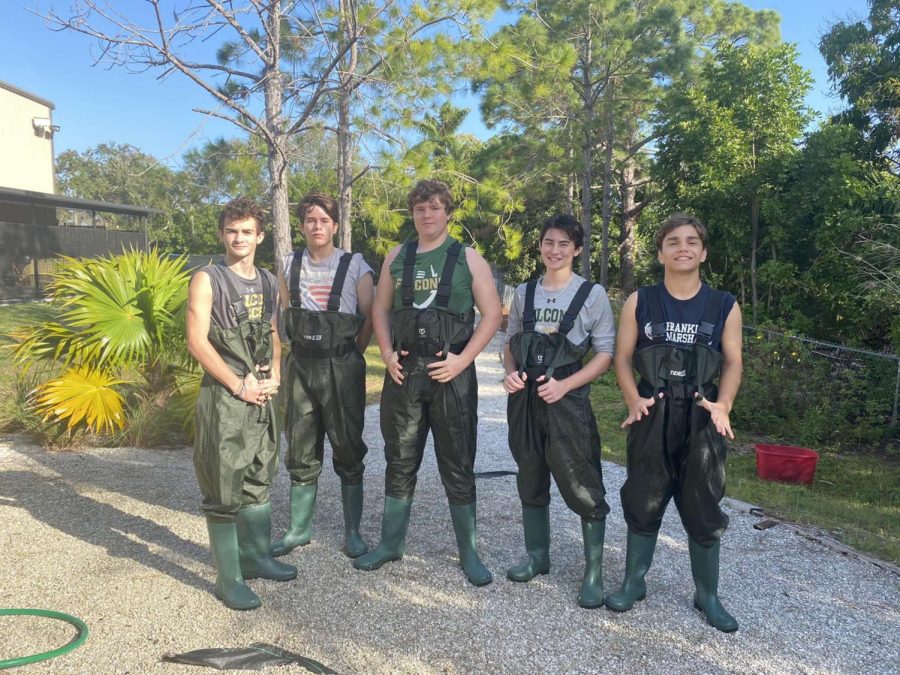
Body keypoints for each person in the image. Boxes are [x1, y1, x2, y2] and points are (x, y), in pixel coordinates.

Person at [353, 179, 502, 586]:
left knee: (458, 461)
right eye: (420, 208)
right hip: (405, 373)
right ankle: (390, 543)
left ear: (448, 213)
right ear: (412, 213)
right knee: (399, 457)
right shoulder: (397, 257)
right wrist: (385, 355)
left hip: (451, 372)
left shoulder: (469, 259)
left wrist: (463, 361)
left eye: (435, 207)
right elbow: (380, 310)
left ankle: (469, 552)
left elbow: (491, 314)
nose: (427, 214)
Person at [605, 214, 743, 632]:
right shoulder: (640, 300)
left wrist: (724, 405)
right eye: (673, 241)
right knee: (644, 496)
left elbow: (734, 362)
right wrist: (632, 398)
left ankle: (708, 595)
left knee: (703, 504)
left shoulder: (724, 305)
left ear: (703, 252)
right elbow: (623, 358)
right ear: (661, 251)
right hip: (653, 412)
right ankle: (634, 582)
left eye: (692, 242)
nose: (683, 247)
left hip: (702, 416)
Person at [186, 197, 297, 611]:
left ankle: (256, 557)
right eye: (232, 230)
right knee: (223, 483)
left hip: (261, 394)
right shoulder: (207, 278)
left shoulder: (269, 280)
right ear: (222, 234)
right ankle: (228, 577)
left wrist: (277, 374)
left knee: (258, 474)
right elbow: (197, 342)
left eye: (247, 231)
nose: (239, 237)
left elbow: (272, 333)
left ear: (260, 236)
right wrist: (238, 386)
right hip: (225, 397)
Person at [502, 214, 615, 608]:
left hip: (568, 398)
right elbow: (510, 344)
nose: (555, 250)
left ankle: (593, 573)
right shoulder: (522, 292)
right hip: (526, 399)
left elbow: (605, 354)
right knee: (529, 473)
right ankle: (537, 556)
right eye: (549, 242)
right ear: (541, 246)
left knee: (581, 478)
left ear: (578, 249)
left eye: (564, 244)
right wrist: (511, 374)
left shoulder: (593, 295)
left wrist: (566, 384)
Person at [272, 192, 374, 559]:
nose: (317, 226)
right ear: (301, 226)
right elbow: (283, 312)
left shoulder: (356, 266)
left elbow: (370, 319)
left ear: (335, 225)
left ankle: (353, 533)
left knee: (348, 448)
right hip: (300, 367)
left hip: (342, 369)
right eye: (310, 220)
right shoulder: (287, 264)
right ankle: (299, 529)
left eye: (324, 220)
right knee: (300, 446)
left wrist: (347, 357)